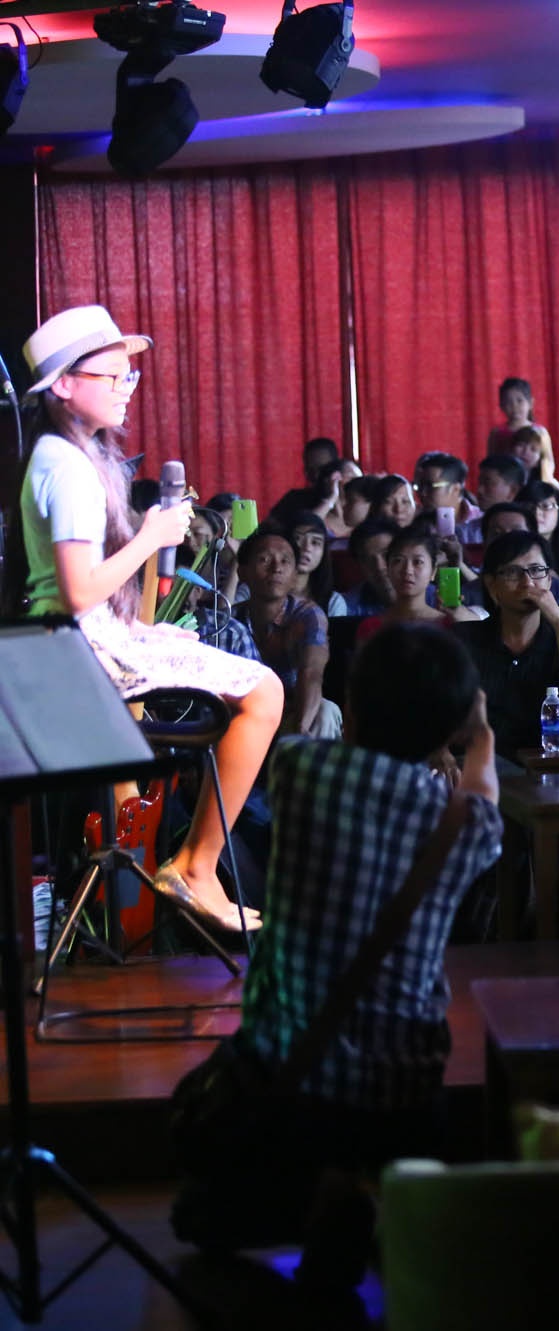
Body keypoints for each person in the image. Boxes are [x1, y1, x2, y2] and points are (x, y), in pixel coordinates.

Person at [171, 622, 504, 1290]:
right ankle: (361, 1199)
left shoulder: (299, 768)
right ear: (453, 724)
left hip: (287, 1080)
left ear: (352, 703)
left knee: (196, 1216)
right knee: (400, 1147)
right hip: (401, 1096)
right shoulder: (465, 824)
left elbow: (315, 741)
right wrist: (482, 735)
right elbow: (484, 794)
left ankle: (312, 1198)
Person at [15, 305, 281, 933]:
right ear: (63, 386)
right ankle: (197, 867)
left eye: (128, 377)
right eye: (111, 377)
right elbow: (77, 593)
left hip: (86, 641)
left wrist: (142, 623)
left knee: (257, 690)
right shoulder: (65, 465)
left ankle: (191, 866)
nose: (126, 389)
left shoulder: (72, 455)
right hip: (79, 652)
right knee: (265, 692)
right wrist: (150, 536)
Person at [453, 530, 559, 754]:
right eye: (513, 572)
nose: (527, 582)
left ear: (549, 579)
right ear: (492, 585)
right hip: (473, 760)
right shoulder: (463, 640)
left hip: (542, 761)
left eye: (537, 570)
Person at [234, 529, 337, 739]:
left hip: (290, 710)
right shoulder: (231, 620)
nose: (276, 569)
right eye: (264, 559)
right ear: (242, 572)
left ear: (295, 576)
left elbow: (311, 672)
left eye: (285, 561)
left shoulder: (307, 615)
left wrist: (301, 729)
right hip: (243, 713)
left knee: (325, 711)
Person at [358, 528, 482, 644]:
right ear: (388, 569)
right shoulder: (371, 627)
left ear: (433, 572)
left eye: (418, 562)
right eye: (398, 561)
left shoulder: (451, 623)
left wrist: (465, 622)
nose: (408, 571)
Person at [488, 376, 554, 481]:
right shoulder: (497, 433)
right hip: (507, 481)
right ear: (501, 405)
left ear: (531, 403)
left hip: (534, 480)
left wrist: (546, 479)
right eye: (508, 402)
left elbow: (548, 460)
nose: (514, 407)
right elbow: (492, 461)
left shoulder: (541, 432)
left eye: (519, 401)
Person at [285, 511, 349, 617]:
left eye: (315, 542)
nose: (307, 548)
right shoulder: (260, 592)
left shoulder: (332, 602)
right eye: (297, 539)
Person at [414, 451, 481, 544]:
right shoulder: (415, 524)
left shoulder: (482, 522)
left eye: (430, 486)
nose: (423, 493)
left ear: (455, 489)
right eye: (420, 485)